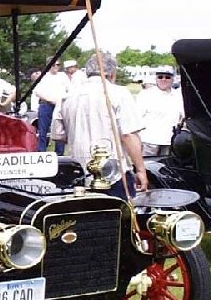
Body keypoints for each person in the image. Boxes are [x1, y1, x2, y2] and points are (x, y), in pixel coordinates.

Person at [59, 52, 148, 199]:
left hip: (79, 173)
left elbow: (59, 134)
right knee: (120, 218)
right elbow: (128, 135)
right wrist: (141, 170)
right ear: (112, 73)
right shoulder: (119, 93)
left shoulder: (68, 96)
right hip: (113, 174)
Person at [136, 65, 184, 157]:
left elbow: (183, 116)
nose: (163, 79)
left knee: (167, 167)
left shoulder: (178, 96)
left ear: (173, 79)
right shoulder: (145, 95)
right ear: (156, 78)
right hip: (149, 142)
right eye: (160, 77)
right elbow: (137, 118)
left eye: (167, 77)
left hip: (169, 142)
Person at [34, 57, 69, 155]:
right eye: (53, 65)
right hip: (46, 104)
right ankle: (42, 152)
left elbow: (70, 89)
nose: (56, 67)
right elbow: (37, 91)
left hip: (60, 105)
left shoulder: (63, 76)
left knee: (59, 130)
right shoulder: (43, 76)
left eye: (58, 65)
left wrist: (63, 99)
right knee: (43, 130)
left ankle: (59, 154)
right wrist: (50, 99)